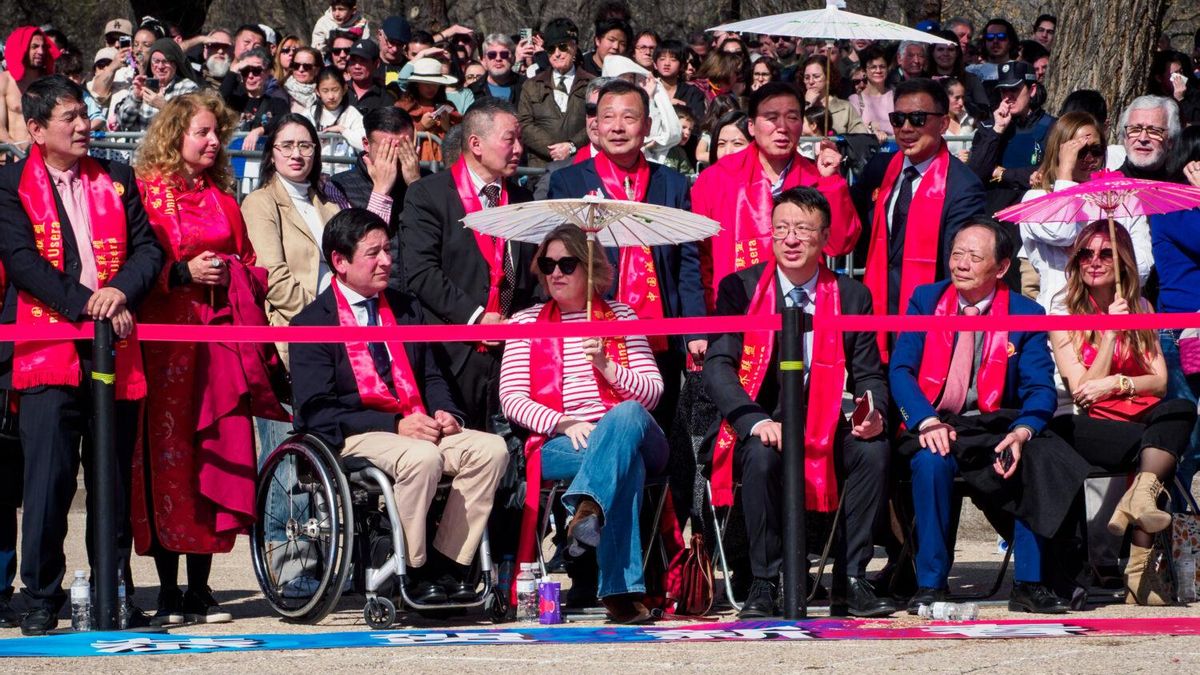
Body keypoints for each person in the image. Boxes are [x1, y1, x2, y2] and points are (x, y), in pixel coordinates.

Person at [0, 75, 163, 636]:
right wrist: (88, 304)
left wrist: (119, 291)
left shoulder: (117, 176)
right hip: (46, 347)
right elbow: (22, 261)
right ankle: (40, 597)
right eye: (68, 117)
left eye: (83, 114)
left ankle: (113, 590)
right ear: (36, 128)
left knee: (112, 478)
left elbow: (149, 250)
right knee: (48, 481)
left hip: (113, 345)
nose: (82, 125)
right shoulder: (9, 184)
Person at [290, 208, 508, 605]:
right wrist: (393, 424)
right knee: (422, 458)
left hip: (417, 423)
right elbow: (316, 411)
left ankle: (449, 565)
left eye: (388, 250)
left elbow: (432, 376)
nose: (386, 261)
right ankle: (413, 566)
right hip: (358, 432)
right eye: (373, 253)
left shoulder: (407, 308)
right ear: (340, 261)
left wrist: (446, 413)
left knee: (491, 450)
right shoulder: (312, 323)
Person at [132, 90, 285, 626]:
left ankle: (200, 587)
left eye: (216, 133)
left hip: (217, 344)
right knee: (167, 456)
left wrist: (233, 273)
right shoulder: (146, 194)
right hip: (163, 347)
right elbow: (130, 266)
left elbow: (251, 265)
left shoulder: (223, 199)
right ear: (175, 136)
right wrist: (182, 272)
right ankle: (167, 589)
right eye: (202, 132)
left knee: (213, 454)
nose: (213, 141)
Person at [704, 187, 893, 618]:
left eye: (803, 230)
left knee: (873, 450)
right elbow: (718, 366)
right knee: (761, 456)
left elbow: (868, 374)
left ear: (824, 237)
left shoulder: (852, 295)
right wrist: (754, 421)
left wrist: (874, 412)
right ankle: (765, 581)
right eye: (781, 228)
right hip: (761, 419)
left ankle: (852, 579)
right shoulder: (740, 288)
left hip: (826, 419)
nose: (790, 239)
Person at [890, 218, 1091, 614]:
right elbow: (901, 371)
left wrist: (1022, 431)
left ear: (1001, 268)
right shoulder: (926, 300)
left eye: (974, 257)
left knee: (1036, 457)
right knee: (931, 461)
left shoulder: (1025, 312)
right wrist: (926, 421)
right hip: (937, 421)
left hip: (996, 425)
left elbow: (1039, 388)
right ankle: (930, 583)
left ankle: (1030, 583)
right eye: (956, 254)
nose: (961, 264)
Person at [501, 223, 666, 624]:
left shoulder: (622, 316)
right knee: (627, 465)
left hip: (630, 429)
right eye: (548, 264)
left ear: (591, 269)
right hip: (562, 439)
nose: (555, 273)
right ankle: (620, 594)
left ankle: (588, 505)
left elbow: (652, 394)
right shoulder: (525, 322)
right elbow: (512, 399)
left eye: (567, 264)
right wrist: (562, 422)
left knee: (626, 414)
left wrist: (607, 365)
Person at [1047, 222, 1195, 605]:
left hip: (1137, 420)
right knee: (1158, 452)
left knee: (1180, 408)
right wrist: (1111, 334)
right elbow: (1083, 391)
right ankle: (1140, 574)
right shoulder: (1062, 312)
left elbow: (1159, 382)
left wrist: (1117, 382)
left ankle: (1138, 504)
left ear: (1123, 260)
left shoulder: (1141, 306)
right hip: (1087, 425)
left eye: (1105, 253)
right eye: (1086, 253)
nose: (1094, 261)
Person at [402, 99, 539, 428]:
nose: (519, 149)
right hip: (452, 350)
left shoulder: (522, 200)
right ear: (476, 144)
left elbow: (532, 274)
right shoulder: (429, 194)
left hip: (511, 351)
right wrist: (476, 317)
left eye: (520, 139)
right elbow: (421, 272)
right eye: (509, 140)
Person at [691, 82, 861, 312]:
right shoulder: (717, 178)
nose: (782, 127)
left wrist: (831, 182)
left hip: (802, 307)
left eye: (792, 117)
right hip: (736, 308)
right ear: (751, 126)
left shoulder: (816, 175)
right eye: (771, 118)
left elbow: (841, 244)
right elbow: (698, 255)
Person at [852, 78, 986, 343]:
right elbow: (849, 227)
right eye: (898, 119)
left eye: (918, 118)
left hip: (929, 320)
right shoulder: (880, 168)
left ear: (943, 123)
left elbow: (957, 266)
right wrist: (831, 181)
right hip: (876, 315)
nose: (906, 128)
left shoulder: (962, 186)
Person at [1018, 112, 1153, 311]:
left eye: (1096, 150)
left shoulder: (1123, 199)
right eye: (1079, 151)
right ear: (1060, 152)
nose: (1089, 158)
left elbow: (1142, 267)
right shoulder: (1036, 199)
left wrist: (1107, 256)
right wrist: (1065, 174)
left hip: (1115, 310)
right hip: (1063, 313)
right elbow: (1061, 233)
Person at [242, 113, 347, 365]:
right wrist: (323, 317)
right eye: (287, 146)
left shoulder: (329, 204)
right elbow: (272, 277)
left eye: (305, 146)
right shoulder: (260, 202)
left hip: (344, 327)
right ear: (272, 153)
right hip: (299, 329)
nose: (296, 154)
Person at [967, 61, 1055, 213]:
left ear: (1032, 90)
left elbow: (1047, 173)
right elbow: (975, 174)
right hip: (993, 210)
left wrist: (1002, 174)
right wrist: (997, 130)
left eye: (1014, 90)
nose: (1008, 97)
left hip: (1033, 209)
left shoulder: (1052, 127)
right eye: (1003, 91)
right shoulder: (989, 127)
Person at [329, 106, 422, 240]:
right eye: (387, 150)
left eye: (405, 148)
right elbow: (360, 243)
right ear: (366, 144)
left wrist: (416, 185)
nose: (396, 156)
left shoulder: (428, 180)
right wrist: (381, 191)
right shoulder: (340, 186)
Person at [517, 18, 595, 168]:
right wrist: (555, 149)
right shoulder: (531, 85)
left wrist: (572, 146)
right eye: (551, 49)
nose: (557, 54)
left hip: (582, 165)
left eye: (562, 47)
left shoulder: (592, 84)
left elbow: (597, 121)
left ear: (574, 46)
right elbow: (524, 124)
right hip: (541, 168)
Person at [115, 38, 200, 132]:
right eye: (156, 61)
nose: (160, 67)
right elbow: (123, 122)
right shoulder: (141, 85)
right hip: (142, 141)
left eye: (166, 61)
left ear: (175, 64)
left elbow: (191, 122)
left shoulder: (187, 87)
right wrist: (136, 98)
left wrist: (164, 106)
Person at [0, 27, 59, 150]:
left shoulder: (49, 82)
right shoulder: (4, 81)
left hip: (46, 155)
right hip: (14, 156)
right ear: (21, 49)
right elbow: (0, 128)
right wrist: (16, 151)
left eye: (43, 47)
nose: (41, 52)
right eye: (35, 47)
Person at [396, 57, 462, 162]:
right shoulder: (402, 107)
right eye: (426, 83)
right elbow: (394, 136)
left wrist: (447, 127)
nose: (431, 88)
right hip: (413, 163)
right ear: (416, 83)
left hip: (443, 164)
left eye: (435, 83)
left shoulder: (449, 107)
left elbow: (461, 139)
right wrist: (421, 126)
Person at [225, 47, 291, 152]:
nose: (250, 76)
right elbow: (216, 103)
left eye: (256, 71)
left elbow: (284, 120)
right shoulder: (233, 101)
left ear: (268, 72)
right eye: (245, 71)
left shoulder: (277, 103)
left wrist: (259, 130)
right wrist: (233, 70)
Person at [797, 55, 868, 135]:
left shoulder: (844, 108)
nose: (811, 82)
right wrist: (806, 104)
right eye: (807, 78)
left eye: (816, 76)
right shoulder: (796, 106)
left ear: (828, 77)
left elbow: (860, 136)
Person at [309, 66, 366, 155]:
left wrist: (342, 130)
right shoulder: (310, 114)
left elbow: (364, 144)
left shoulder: (352, 114)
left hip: (344, 163)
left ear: (344, 89)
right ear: (317, 92)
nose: (331, 96)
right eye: (325, 91)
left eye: (335, 90)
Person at [653, 39, 706, 123]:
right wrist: (667, 105)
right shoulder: (649, 89)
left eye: (673, 59)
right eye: (662, 59)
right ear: (655, 64)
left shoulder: (693, 93)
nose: (667, 63)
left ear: (682, 66)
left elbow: (698, 122)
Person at [847, 45, 894, 142]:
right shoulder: (855, 100)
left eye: (882, 67)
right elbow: (855, 129)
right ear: (864, 70)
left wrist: (879, 126)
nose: (878, 71)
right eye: (873, 67)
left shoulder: (895, 96)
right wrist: (871, 129)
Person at [469, 34, 525, 105]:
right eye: (492, 55)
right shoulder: (472, 91)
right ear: (484, 60)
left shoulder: (526, 86)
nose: (498, 59)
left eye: (504, 54)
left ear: (513, 59)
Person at [345, 39, 396, 112]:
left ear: (376, 64)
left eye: (363, 61)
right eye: (353, 60)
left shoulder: (385, 98)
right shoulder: (341, 91)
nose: (357, 66)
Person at [966, 18, 1019, 85]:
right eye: (990, 37)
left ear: (1010, 42)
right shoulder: (970, 71)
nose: (995, 41)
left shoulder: (1021, 69)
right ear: (984, 42)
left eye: (1001, 36)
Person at [942, 78, 976, 161]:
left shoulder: (970, 120)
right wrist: (956, 160)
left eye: (962, 97)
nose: (961, 103)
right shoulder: (934, 124)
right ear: (944, 98)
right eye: (957, 98)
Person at [284, 47, 322, 114]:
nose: (301, 69)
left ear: (317, 70)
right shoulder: (281, 93)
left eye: (307, 66)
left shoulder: (323, 94)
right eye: (296, 65)